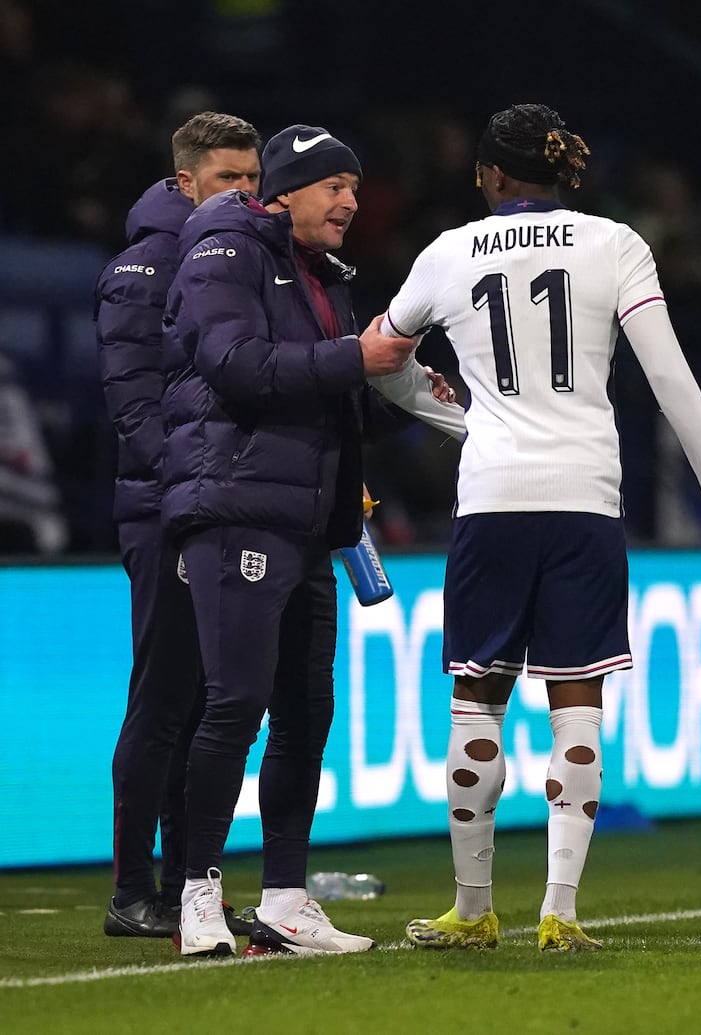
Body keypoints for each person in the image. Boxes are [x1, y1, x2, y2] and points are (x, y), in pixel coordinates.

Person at [376, 102, 701, 952]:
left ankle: (472, 910)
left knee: (477, 700)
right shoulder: (615, 244)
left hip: (493, 496)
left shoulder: (446, 252)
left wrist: (463, 423)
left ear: (494, 175)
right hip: (585, 496)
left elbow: (381, 358)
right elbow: (672, 380)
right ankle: (562, 912)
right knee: (576, 704)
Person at [160, 123, 465, 957]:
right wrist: (351, 357)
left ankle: (288, 898)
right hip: (241, 507)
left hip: (310, 516)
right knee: (234, 705)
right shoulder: (226, 252)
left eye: (356, 190)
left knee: (305, 713)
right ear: (284, 191)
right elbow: (237, 365)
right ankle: (196, 893)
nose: (351, 203)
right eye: (334, 187)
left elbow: (335, 387)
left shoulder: (324, 276)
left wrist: (406, 387)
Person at [94, 111, 263, 938]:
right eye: (229, 178)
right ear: (186, 180)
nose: (245, 193)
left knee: (199, 701)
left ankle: (180, 885)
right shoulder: (147, 265)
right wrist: (191, 484)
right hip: (164, 509)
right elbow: (133, 402)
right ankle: (134, 889)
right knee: (163, 698)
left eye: (254, 179)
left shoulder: (228, 259)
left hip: (208, 503)